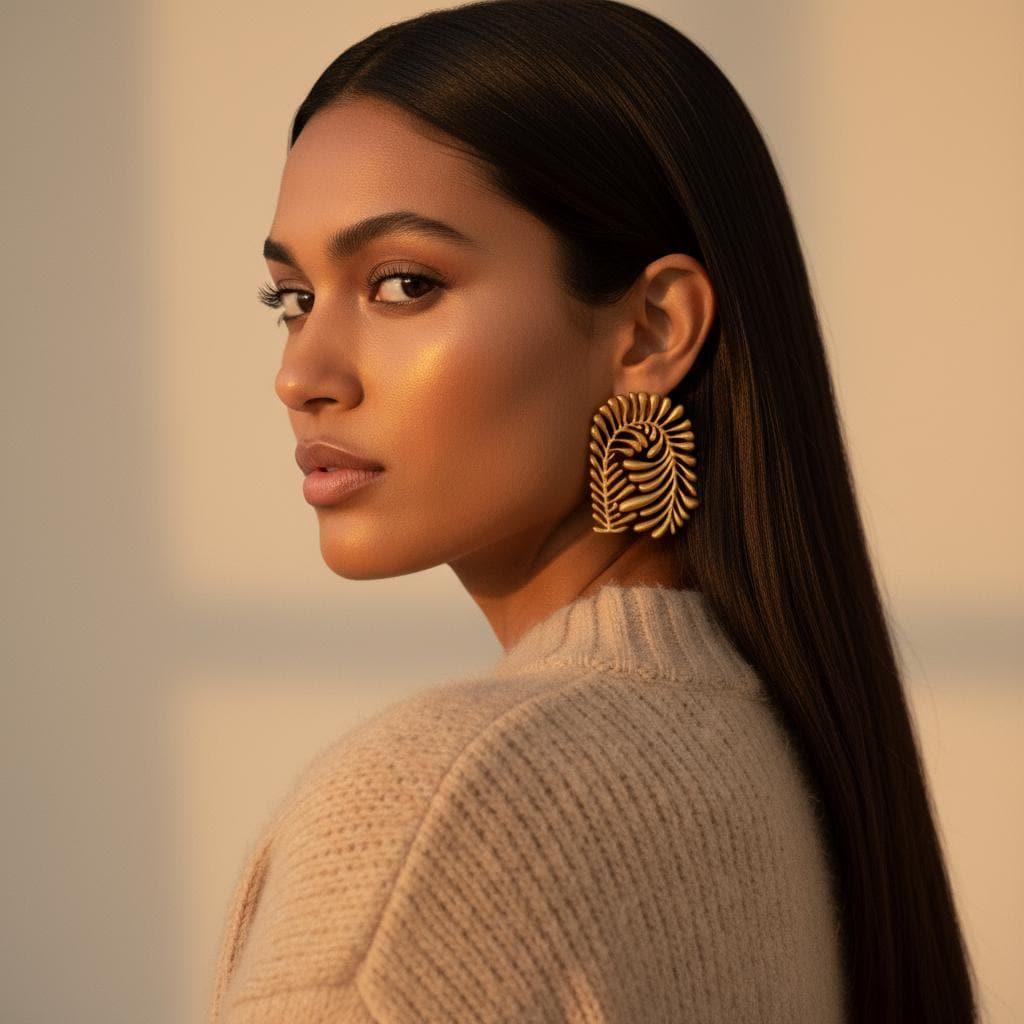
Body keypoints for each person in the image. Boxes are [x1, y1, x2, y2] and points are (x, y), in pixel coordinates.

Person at [208, 1, 978, 1021]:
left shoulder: (437, 813)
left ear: (651, 329)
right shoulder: (777, 764)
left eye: (402, 283)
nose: (301, 375)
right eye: (292, 298)